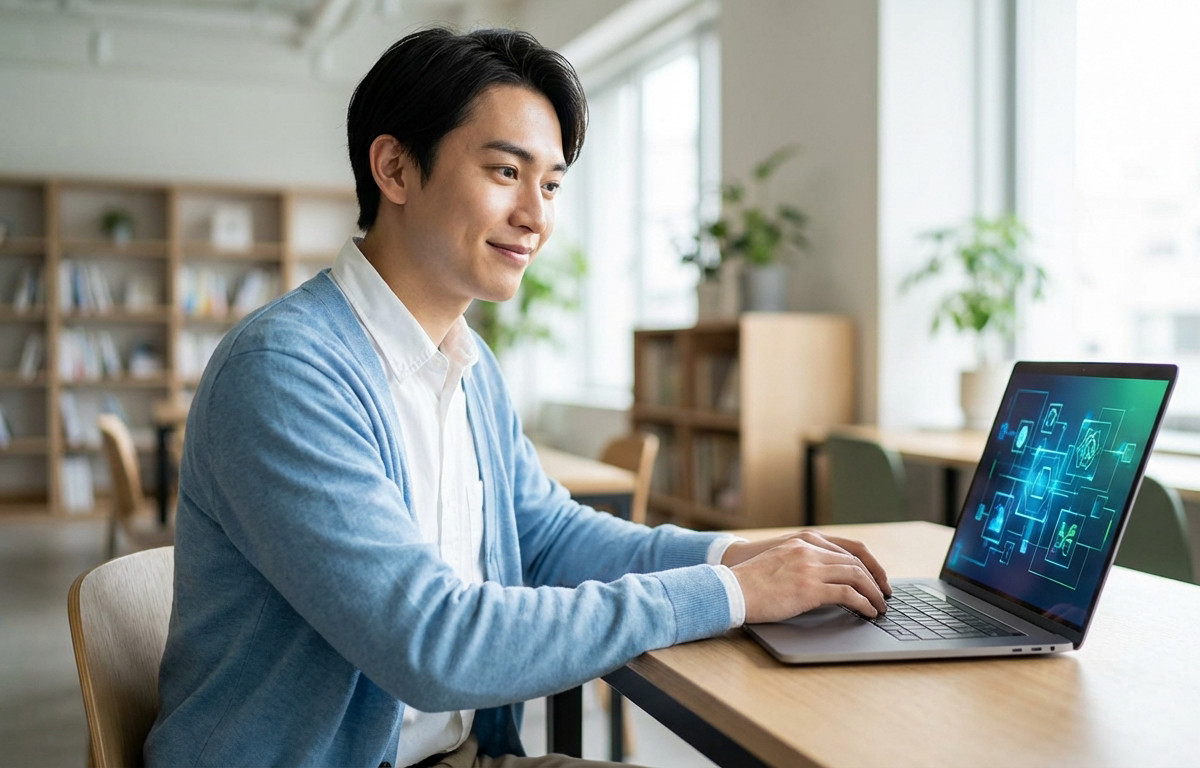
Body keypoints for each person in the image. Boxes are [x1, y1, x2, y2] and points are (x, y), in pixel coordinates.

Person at [144, 26, 889, 768]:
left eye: (553, 184)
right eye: (506, 172)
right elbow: (431, 644)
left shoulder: (469, 365)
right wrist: (726, 593)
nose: (538, 216)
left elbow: (548, 537)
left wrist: (737, 554)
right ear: (395, 169)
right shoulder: (286, 371)